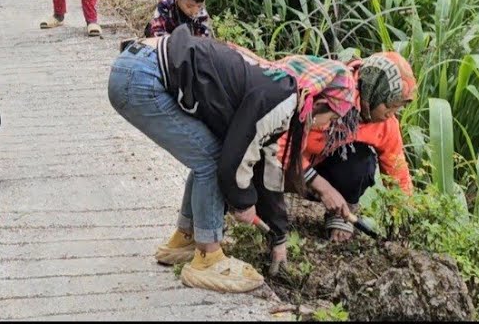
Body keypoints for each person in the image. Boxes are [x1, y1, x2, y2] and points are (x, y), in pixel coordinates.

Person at [108, 26, 360, 292]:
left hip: (136, 65)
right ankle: (208, 258)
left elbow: (269, 169)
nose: (324, 126)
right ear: (317, 102)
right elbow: (234, 160)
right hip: (142, 77)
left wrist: (279, 236)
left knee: (206, 153)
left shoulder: (275, 85)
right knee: (212, 160)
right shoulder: (282, 99)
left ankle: (185, 238)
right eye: (331, 118)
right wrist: (243, 203)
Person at [281, 52, 416, 241]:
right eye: (389, 106)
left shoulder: (386, 124)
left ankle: (341, 211)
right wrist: (322, 187)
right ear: (374, 91)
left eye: (397, 108)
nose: (390, 114)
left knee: (361, 162)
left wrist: (406, 217)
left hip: (317, 167)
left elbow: (398, 172)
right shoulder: (332, 90)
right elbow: (280, 141)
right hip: (284, 160)